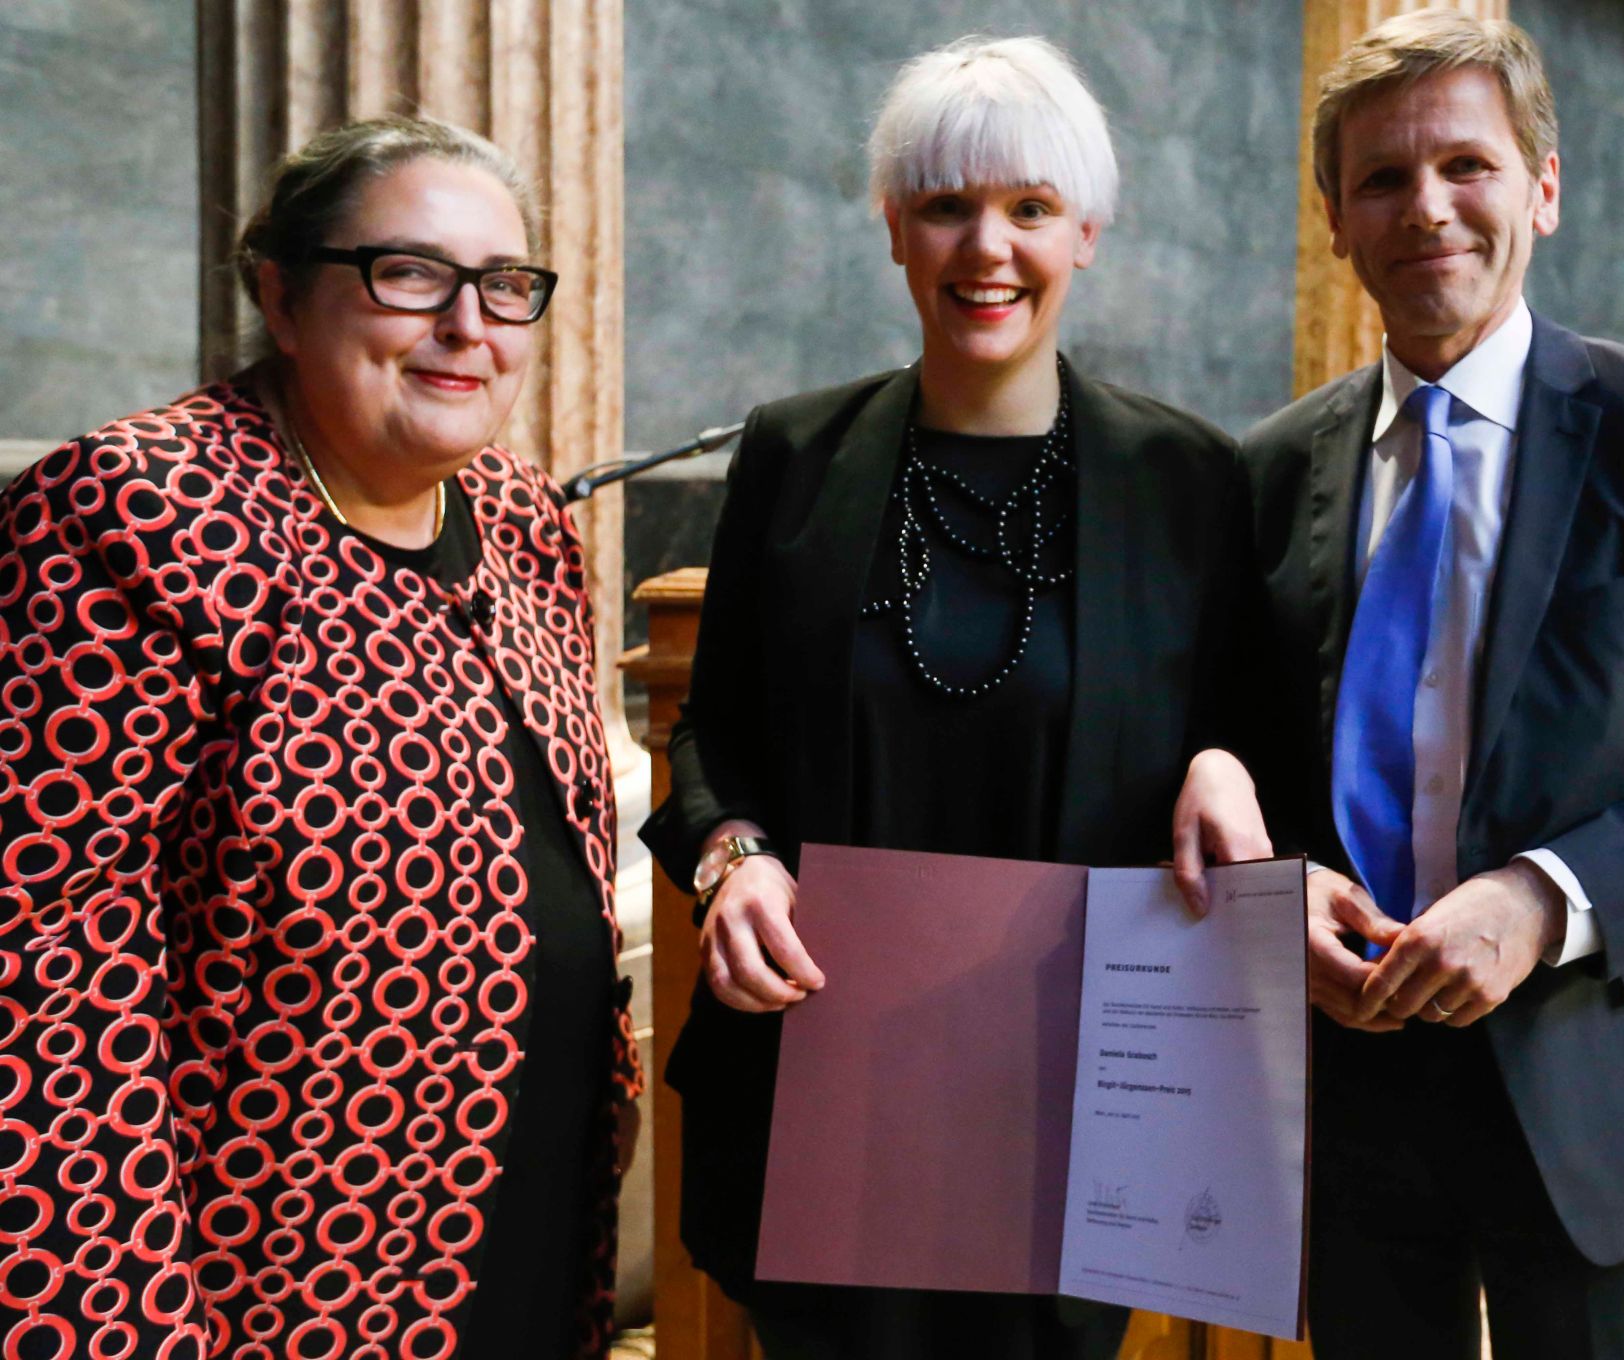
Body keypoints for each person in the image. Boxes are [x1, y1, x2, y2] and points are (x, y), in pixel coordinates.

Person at [640, 34, 1261, 1360]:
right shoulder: (795, 455)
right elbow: (715, 732)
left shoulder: (1190, 482)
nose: (989, 247)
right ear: (894, 229)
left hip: (1075, 1091)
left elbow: (1253, 727)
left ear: (1086, 232)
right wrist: (731, 858)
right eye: (947, 205)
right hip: (828, 1084)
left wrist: (1227, 761)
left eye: (1031, 209)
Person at [0, 115, 642, 1360]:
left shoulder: (515, 515)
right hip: (273, 1276)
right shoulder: (142, 509)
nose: (469, 326)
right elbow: (43, 976)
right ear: (280, 295)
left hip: (524, 1211)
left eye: (505, 287)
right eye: (410, 273)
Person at [1176, 10, 1624, 1357]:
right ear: (1336, 220)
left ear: (1544, 187)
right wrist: (1249, 826)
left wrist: (1544, 900)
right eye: (1383, 178)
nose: (1426, 208)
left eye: (1467, 167)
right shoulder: (1267, 471)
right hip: (1352, 1101)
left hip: (1602, 1099)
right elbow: (1224, 728)